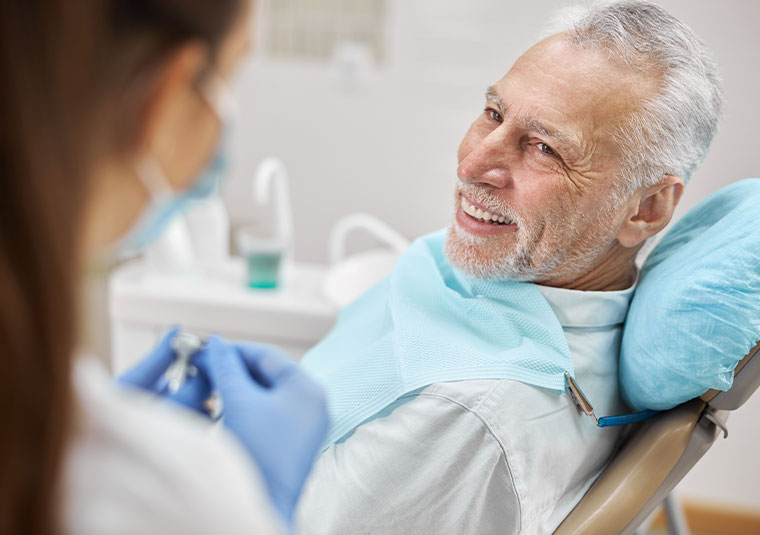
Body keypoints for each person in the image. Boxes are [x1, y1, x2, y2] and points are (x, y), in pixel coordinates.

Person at [294, 1, 723, 534]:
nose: (472, 164)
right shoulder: (514, 289)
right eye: (494, 115)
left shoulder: (470, 413)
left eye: (544, 148)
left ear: (647, 208)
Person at [0, 1, 328, 533]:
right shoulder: (176, 500)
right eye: (228, 76)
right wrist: (252, 508)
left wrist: (90, 412)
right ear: (164, 98)